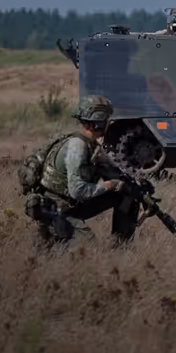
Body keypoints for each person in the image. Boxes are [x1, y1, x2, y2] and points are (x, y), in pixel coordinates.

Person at [24, 95, 141, 245]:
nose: (109, 123)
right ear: (99, 122)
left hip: (70, 205)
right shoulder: (77, 148)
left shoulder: (90, 145)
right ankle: (52, 238)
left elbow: (115, 174)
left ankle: (121, 248)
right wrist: (110, 185)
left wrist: (134, 187)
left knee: (126, 195)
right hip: (56, 210)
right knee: (88, 247)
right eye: (107, 119)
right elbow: (77, 190)